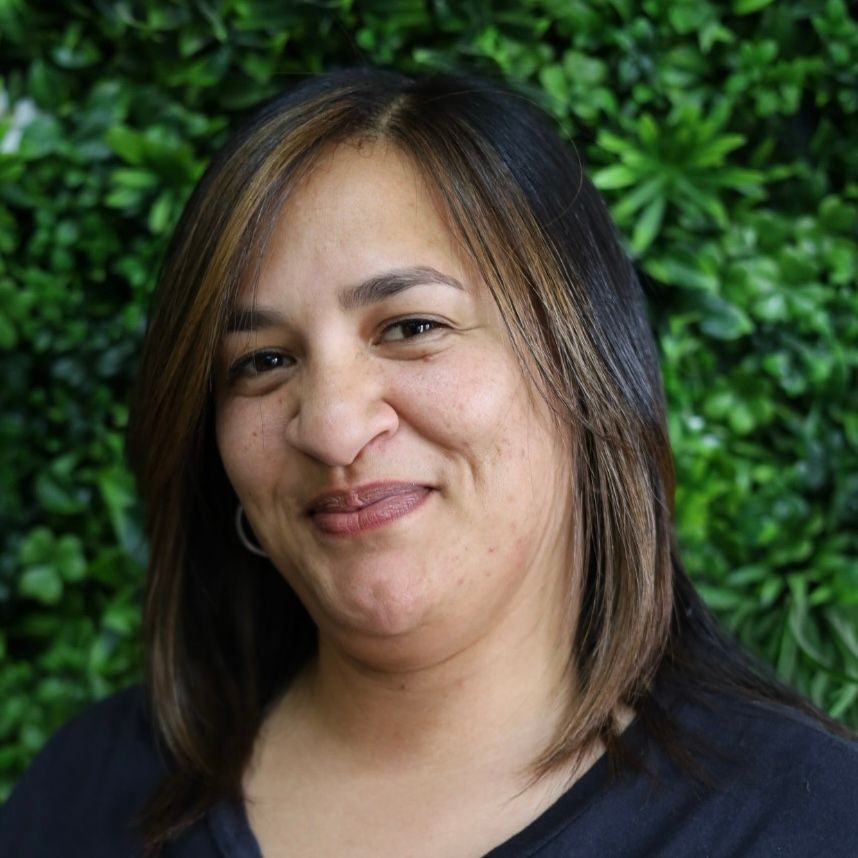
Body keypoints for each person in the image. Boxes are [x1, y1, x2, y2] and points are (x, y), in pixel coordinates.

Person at [1, 67, 856, 858]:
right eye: (262, 362)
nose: (332, 430)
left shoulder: (806, 823)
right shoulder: (90, 795)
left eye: (412, 327)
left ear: (584, 364)